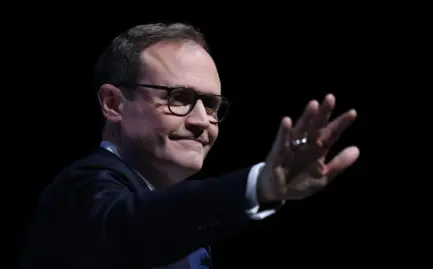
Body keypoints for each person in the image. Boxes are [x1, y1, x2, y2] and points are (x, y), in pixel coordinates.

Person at [20, 22, 359, 269]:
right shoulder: (81, 192)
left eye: (211, 105)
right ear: (114, 104)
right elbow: (132, 228)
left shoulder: (176, 209)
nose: (201, 121)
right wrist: (258, 187)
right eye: (178, 98)